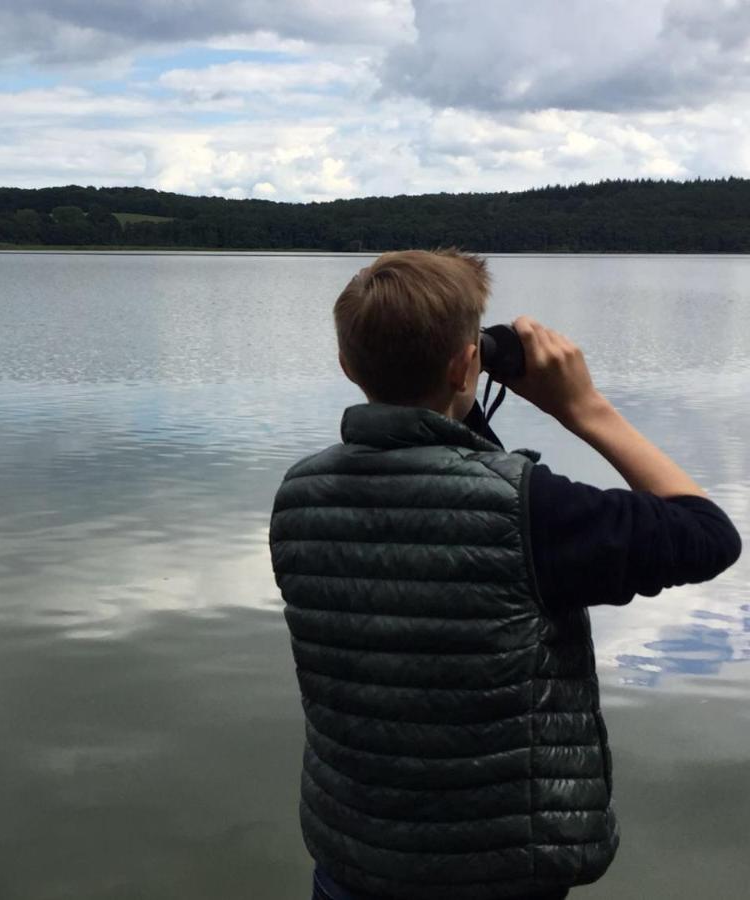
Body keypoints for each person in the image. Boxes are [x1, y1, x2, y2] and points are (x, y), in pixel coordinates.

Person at [268, 250, 741, 900]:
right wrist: (585, 407)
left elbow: (449, 490)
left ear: (347, 365)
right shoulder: (532, 511)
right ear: (469, 364)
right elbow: (708, 535)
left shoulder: (300, 496)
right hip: (501, 875)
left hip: (354, 861)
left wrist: (458, 392)